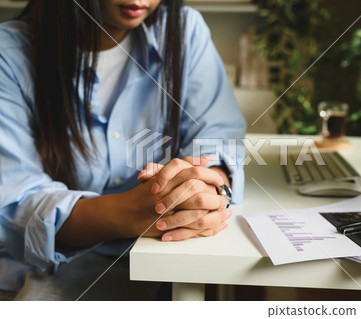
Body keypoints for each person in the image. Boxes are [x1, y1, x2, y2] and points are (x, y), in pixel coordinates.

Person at [0, 0, 246, 300]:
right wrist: (130, 211)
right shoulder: (10, 54)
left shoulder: (183, 28)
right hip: (58, 266)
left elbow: (218, 133)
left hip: (173, 250)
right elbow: (17, 200)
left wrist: (201, 186)